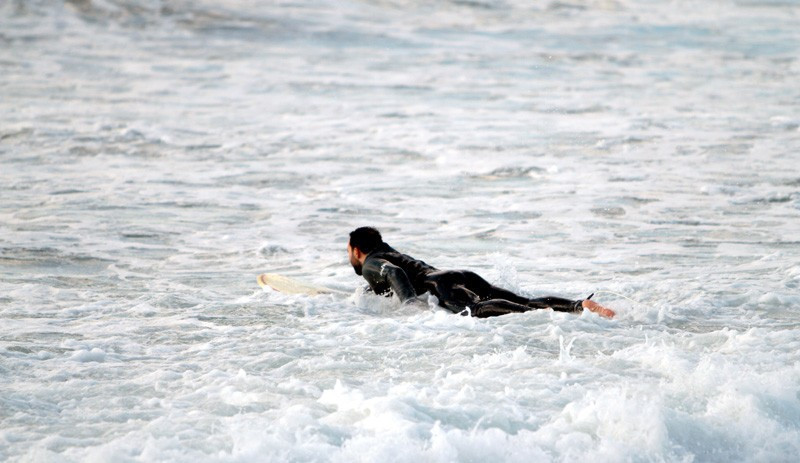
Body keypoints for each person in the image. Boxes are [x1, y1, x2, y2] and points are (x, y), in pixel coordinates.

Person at [347, 226, 615, 318]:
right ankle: (577, 305)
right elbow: (397, 272)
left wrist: (409, 305)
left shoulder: (371, 262)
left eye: (348, 252)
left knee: (475, 311)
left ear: (357, 250)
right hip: (457, 274)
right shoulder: (387, 249)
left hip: (439, 287)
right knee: (526, 301)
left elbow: (394, 274)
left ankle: (541, 315)